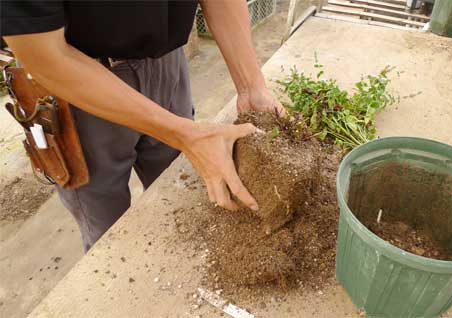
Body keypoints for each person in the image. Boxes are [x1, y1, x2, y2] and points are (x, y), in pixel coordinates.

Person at [1, 0, 283, 251]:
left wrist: (250, 86)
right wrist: (184, 135)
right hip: (79, 89)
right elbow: (45, 55)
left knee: (185, 196)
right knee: (110, 234)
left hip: (168, 63)